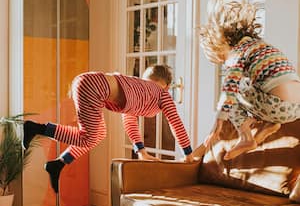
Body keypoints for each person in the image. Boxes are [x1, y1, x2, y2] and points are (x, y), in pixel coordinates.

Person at [23, 65, 194, 193]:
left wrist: (140, 150)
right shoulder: (161, 93)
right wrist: (188, 153)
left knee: (98, 134)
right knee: (88, 137)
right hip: (94, 86)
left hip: (88, 82)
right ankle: (36, 128)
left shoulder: (138, 87)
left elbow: (129, 121)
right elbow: (175, 123)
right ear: (167, 86)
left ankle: (58, 164)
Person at [198, 0, 300, 160]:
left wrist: (218, 122)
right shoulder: (260, 46)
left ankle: (246, 137)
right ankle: (270, 124)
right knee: (255, 83)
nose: (225, 63)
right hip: (296, 109)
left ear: (222, 42)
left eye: (222, 58)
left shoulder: (237, 53)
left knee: (235, 87)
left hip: (274, 105)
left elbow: (229, 89)